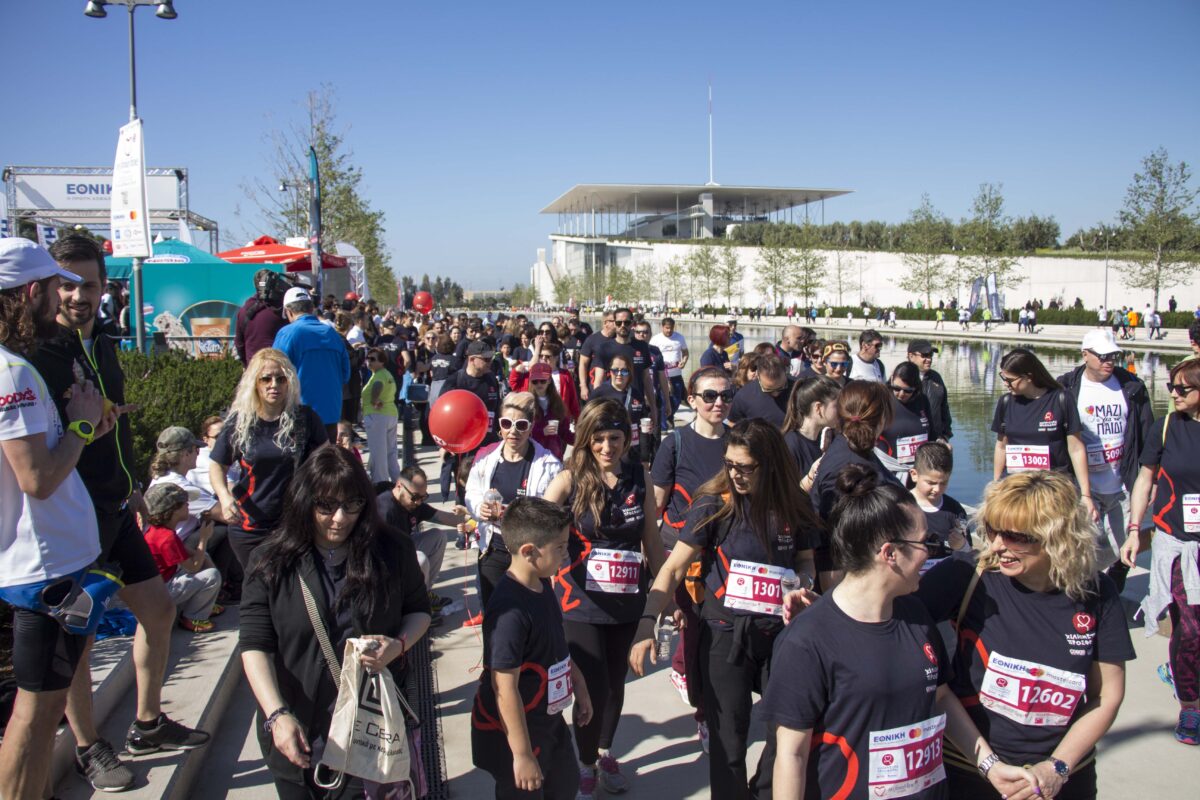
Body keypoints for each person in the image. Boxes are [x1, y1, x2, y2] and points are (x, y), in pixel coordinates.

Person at [33, 234, 208, 792]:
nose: (77, 296)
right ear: (47, 288)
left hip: (115, 506)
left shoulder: (104, 342)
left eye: (88, 284)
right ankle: (88, 747)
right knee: (78, 641)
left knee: (158, 610)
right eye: (67, 285)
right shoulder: (39, 354)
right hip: (70, 518)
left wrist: (133, 484)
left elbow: (119, 421)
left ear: (103, 286)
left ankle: (148, 723)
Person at [767, 465, 1035, 800]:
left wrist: (991, 767)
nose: (930, 552)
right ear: (890, 553)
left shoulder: (916, 616)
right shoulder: (807, 640)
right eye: (924, 542)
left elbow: (940, 697)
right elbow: (791, 755)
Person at [630, 419, 818, 800]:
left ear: (769, 463)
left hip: (780, 636)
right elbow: (674, 567)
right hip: (724, 633)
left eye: (745, 467)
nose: (735, 474)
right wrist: (648, 620)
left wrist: (802, 585)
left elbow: (806, 561)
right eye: (729, 464)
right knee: (728, 743)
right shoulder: (714, 502)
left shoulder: (794, 504)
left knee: (786, 735)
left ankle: (760, 791)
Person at [918, 471, 1135, 798]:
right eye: (993, 530)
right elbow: (888, 622)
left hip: (1064, 778)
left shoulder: (1097, 593)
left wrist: (1056, 768)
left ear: (1057, 537)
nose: (997, 545)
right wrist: (990, 765)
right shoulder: (966, 575)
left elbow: (1106, 696)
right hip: (970, 773)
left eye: (1016, 537)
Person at [240, 445, 432, 799]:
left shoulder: (393, 549)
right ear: (304, 501)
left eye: (352, 505)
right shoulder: (270, 562)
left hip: (370, 733)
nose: (340, 518)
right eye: (326, 506)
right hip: (297, 731)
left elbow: (419, 611)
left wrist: (399, 644)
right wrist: (276, 715)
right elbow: (254, 645)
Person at [0, 237, 113, 800]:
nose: (62, 299)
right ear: (29, 293)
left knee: (42, 713)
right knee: (37, 714)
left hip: (46, 564)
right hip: (44, 569)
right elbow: (37, 479)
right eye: (53, 287)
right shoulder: (14, 373)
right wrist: (83, 424)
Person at [543, 398, 665, 798]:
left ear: (627, 438)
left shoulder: (639, 476)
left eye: (615, 438)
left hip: (627, 601)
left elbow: (652, 541)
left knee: (615, 685)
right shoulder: (568, 479)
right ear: (585, 439)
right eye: (598, 439)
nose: (607, 447)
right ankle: (585, 763)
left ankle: (605, 751)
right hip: (579, 602)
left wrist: (668, 598)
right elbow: (534, 528)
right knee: (590, 686)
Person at [470, 497, 593, 799]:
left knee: (565, 784)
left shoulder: (542, 583)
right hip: (515, 734)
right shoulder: (509, 611)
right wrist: (522, 754)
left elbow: (556, 646)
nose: (566, 554)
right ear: (529, 552)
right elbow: (504, 687)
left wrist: (579, 683)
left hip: (548, 722)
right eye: (560, 547)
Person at [650, 367, 732, 750]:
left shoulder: (738, 443)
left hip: (726, 556)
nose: (719, 403)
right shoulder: (675, 444)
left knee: (717, 637)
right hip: (684, 555)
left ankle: (698, 689)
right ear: (693, 400)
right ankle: (704, 715)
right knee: (696, 631)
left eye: (726, 396)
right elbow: (656, 505)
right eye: (710, 396)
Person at [1121, 356, 1200, 745]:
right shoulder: (1167, 427)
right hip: (1179, 546)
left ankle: (1184, 673)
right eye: (1172, 386)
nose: (1174, 393)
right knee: (1190, 627)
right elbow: (1145, 479)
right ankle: (1190, 705)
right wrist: (1135, 529)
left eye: (1183, 388)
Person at [210, 349, 329, 568]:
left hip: (294, 523)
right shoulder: (239, 422)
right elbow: (217, 464)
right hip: (250, 526)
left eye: (281, 379)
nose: (274, 385)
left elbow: (327, 462)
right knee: (259, 584)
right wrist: (225, 498)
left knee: (292, 584)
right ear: (254, 383)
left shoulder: (305, 419)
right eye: (266, 379)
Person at [1057, 330, 1153, 567]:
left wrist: (1153, 478)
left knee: (1123, 547)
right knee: (1079, 549)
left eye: (1113, 356)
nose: (1109, 361)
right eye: (1102, 356)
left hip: (1122, 483)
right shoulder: (1066, 387)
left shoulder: (1132, 386)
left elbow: (1147, 433)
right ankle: (1088, 583)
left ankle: (1108, 577)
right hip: (1082, 485)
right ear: (1085, 355)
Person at [466, 392, 563, 608]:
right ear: (499, 426)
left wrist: (510, 514)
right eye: (507, 423)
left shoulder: (549, 465)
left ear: (531, 426)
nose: (513, 431)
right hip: (493, 548)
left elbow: (552, 513)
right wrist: (479, 508)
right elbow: (471, 492)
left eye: (521, 425)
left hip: (531, 553)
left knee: (530, 614)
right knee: (495, 614)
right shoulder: (485, 456)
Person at [812, 380, 903, 587]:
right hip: (854, 582)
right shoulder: (846, 465)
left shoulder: (857, 450)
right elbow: (832, 541)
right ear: (882, 419)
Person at [992, 349, 1096, 521]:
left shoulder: (1062, 399)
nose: (1006, 384)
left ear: (1029, 377)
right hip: (1016, 489)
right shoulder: (1006, 402)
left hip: (1053, 489)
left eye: (1010, 380)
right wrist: (996, 485)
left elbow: (1076, 448)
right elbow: (1001, 446)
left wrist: (1086, 495)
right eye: (1003, 378)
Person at [141, 483, 223, 633]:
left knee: (203, 556)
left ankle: (205, 604)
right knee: (212, 576)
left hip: (163, 581)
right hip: (161, 591)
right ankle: (193, 617)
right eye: (185, 503)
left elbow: (188, 554)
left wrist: (200, 550)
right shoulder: (166, 537)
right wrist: (203, 538)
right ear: (173, 510)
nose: (188, 505)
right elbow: (194, 567)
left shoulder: (160, 530)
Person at [272, 286, 351, 442]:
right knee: (325, 456)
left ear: (288, 311)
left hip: (298, 414)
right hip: (331, 414)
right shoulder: (332, 334)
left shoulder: (287, 333)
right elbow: (345, 374)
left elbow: (274, 371)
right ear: (311, 308)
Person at [376, 465, 463, 601]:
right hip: (385, 566)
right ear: (399, 486)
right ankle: (415, 602)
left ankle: (425, 594)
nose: (418, 502)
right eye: (415, 497)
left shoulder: (413, 503)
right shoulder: (385, 509)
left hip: (402, 550)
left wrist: (476, 521)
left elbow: (444, 517)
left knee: (438, 537)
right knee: (420, 559)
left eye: (423, 497)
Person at [879, 362, 945, 478]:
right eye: (896, 388)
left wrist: (941, 443)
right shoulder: (881, 400)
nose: (901, 394)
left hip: (919, 471)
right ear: (892, 379)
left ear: (916, 387)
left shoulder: (923, 400)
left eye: (908, 390)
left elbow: (932, 436)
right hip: (888, 472)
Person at [909, 442, 970, 564]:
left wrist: (962, 545)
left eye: (943, 483)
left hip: (946, 570)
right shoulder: (900, 506)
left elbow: (968, 553)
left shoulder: (954, 510)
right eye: (931, 483)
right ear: (914, 475)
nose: (937, 489)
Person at [781, 376, 841, 488]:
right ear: (818, 408)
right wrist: (810, 478)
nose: (841, 411)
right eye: (836, 406)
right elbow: (786, 492)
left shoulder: (826, 438)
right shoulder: (791, 445)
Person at [361, 347, 400, 484]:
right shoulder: (386, 374)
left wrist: (374, 399)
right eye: (368, 358)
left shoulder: (378, 376)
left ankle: (381, 484)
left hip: (377, 417)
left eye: (373, 359)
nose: (369, 361)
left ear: (382, 362)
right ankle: (397, 482)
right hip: (390, 415)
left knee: (378, 454)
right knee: (391, 453)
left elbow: (377, 386)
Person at [235, 268, 289, 366]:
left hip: (254, 367)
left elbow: (239, 344)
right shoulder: (283, 309)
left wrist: (246, 365)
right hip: (278, 367)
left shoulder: (244, 310)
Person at [727, 354, 792, 428]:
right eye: (768, 390)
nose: (775, 394)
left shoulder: (799, 388)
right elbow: (733, 424)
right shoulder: (743, 396)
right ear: (758, 376)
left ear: (785, 373)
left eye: (781, 388)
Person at [907, 339, 953, 444]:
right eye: (924, 355)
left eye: (930, 355)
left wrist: (945, 436)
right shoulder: (901, 377)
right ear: (911, 356)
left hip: (935, 441)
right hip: (910, 442)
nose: (929, 359)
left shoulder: (936, 377)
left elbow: (944, 409)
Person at [526, 361, 574, 460]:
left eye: (542, 381)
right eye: (535, 381)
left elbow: (564, 432)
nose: (539, 384)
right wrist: (541, 432)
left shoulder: (558, 403)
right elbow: (523, 432)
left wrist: (581, 440)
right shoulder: (527, 403)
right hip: (533, 457)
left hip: (553, 456)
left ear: (549, 381)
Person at [651, 316, 689, 417]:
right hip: (661, 375)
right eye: (667, 328)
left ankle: (669, 417)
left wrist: (684, 362)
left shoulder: (680, 338)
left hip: (676, 374)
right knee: (663, 399)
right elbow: (650, 356)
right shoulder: (655, 339)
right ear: (662, 327)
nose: (669, 330)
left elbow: (685, 353)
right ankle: (664, 421)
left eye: (671, 328)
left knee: (677, 399)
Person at [578, 310, 617, 400]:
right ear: (605, 323)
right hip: (594, 386)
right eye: (614, 321)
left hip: (614, 387)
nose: (618, 324)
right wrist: (583, 386)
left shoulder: (619, 339)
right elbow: (583, 364)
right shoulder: (592, 340)